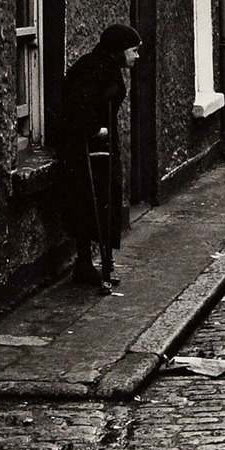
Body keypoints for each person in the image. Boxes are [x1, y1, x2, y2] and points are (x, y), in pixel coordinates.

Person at [61, 23, 141, 290]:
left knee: (106, 200)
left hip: (103, 146)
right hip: (86, 148)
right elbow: (75, 104)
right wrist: (95, 128)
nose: (136, 56)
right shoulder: (94, 68)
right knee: (90, 201)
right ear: (119, 51)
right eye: (133, 51)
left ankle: (100, 261)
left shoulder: (109, 68)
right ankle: (85, 265)